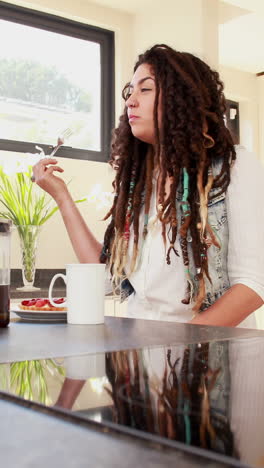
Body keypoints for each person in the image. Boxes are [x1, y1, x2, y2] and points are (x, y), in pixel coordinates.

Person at [32, 44, 264, 328]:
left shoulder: (233, 166)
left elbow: (253, 285)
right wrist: (62, 197)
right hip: (141, 359)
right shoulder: (138, 183)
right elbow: (106, 277)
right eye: (130, 91)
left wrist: (184, 346)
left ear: (183, 98)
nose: (130, 100)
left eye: (145, 89)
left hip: (212, 364)